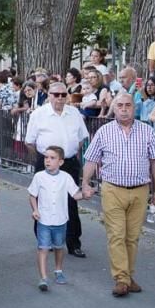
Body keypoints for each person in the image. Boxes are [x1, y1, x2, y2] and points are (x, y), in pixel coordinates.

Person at [81, 93, 155, 297]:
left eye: (128, 105)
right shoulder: (104, 132)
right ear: (114, 108)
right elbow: (91, 160)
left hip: (140, 190)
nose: (124, 109)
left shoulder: (147, 131)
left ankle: (127, 276)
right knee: (116, 234)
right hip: (113, 189)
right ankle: (121, 279)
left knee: (132, 237)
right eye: (120, 105)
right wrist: (85, 182)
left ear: (134, 108)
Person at [24, 81, 89, 258]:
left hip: (68, 162)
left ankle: (73, 242)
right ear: (49, 95)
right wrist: (43, 158)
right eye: (55, 94)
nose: (60, 98)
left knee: (71, 203)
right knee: (44, 200)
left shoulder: (74, 113)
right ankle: (45, 240)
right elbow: (29, 141)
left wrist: (71, 153)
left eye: (63, 94)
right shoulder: (38, 114)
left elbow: (82, 138)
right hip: (46, 162)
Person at [28, 147, 83, 291]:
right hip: (43, 220)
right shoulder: (39, 176)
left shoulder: (66, 177)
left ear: (61, 162)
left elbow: (75, 194)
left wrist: (86, 194)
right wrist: (35, 209)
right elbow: (32, 195)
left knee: (59, 247)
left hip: (60, 219)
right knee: (43, 248)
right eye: (46, 157)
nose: (48, 160)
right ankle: (43, 278)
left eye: (52, 158)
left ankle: (58, 270)